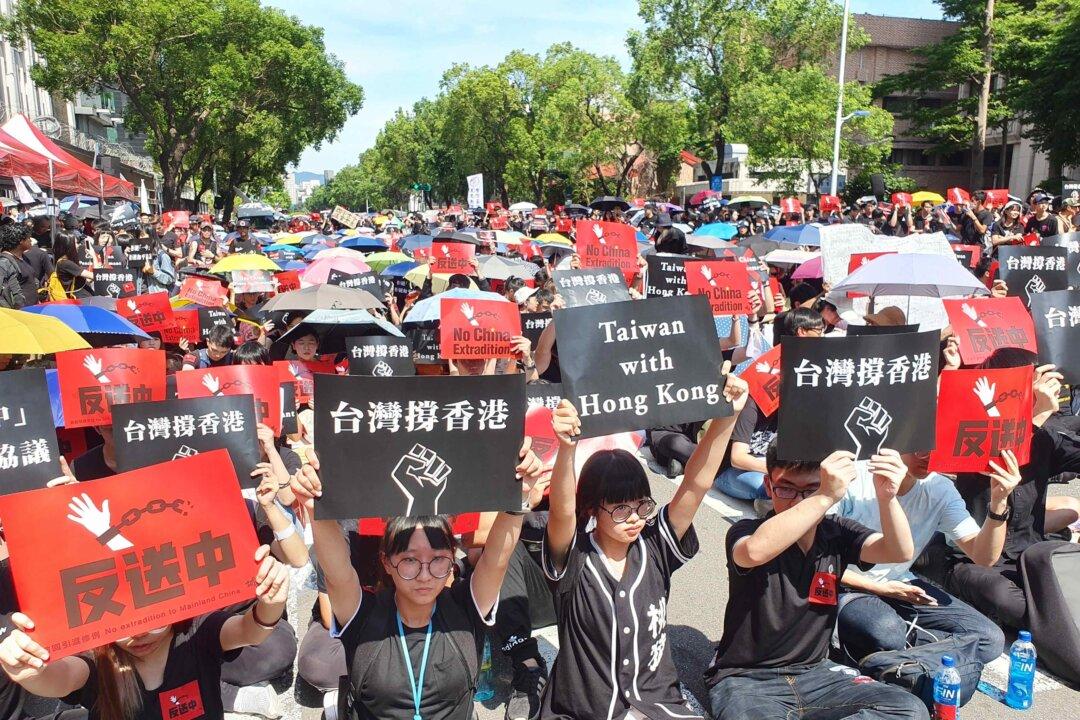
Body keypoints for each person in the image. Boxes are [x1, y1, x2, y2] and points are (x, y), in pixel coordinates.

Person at [539, 368, 748, 720]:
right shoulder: (574, 559)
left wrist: (729, 417)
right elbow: (561, 512)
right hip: (583, 710)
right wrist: (566, 448)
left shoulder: (654, 548)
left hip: (656, 704)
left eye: (641, 505)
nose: (635, 517)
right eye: (620, 508)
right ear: (591, 508)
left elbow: (694, 487)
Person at [289, 443, 544, 720]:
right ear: (387, 561)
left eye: (437, 560)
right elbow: (338, 573)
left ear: (451, 559)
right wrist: (317, 510)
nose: (424, 575)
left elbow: (497, 558)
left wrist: (518, 500)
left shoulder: (465, 610)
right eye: (410, 560)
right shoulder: (364, 615)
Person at [705, 443, 928, 720]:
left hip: (817, 674)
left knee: (909, 709)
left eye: (810, 489)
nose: (798, 501)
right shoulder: (748, 531)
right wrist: (823, 496)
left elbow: (898, 551)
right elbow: (754, 552)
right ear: (768, 484)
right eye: (785, 488)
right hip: (747, 679)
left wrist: (888, 497)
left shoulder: (838, 532)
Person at [0, 544, 291, 720]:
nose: (138, 634)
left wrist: (271, 603)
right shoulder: (99, 658)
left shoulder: (197, 633)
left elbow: (248, 631)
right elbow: (61, 678)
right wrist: (29, 672)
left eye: (153, 620)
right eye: (123, 624)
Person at [833, 448, 1020, 682]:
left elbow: (984, 557)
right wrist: (879, 589)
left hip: (901, 584)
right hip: (843, 585)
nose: (927, 456)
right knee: (886, 631)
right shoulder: (854, 479)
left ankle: (893, 664)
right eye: (918, 448)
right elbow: (816, 562)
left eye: (935, 448)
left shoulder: (939, 488)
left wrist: (999, 501)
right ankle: (905, 657)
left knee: (990, 639)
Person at [52, 231, 94, 299]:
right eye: (76, 243)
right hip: (79, 299)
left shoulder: (64, 262)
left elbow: (85, 280)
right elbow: (93, 276)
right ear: (68, 245)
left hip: (81, 297)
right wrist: (93, 254)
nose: (79, 245)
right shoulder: (65, 263)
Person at [0, 223, 31, 308]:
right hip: (17, 314)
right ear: (21, 241)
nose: (30, 240)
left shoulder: (24, 258)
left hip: (30, 310)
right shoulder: (4, 263)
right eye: (28, 238)